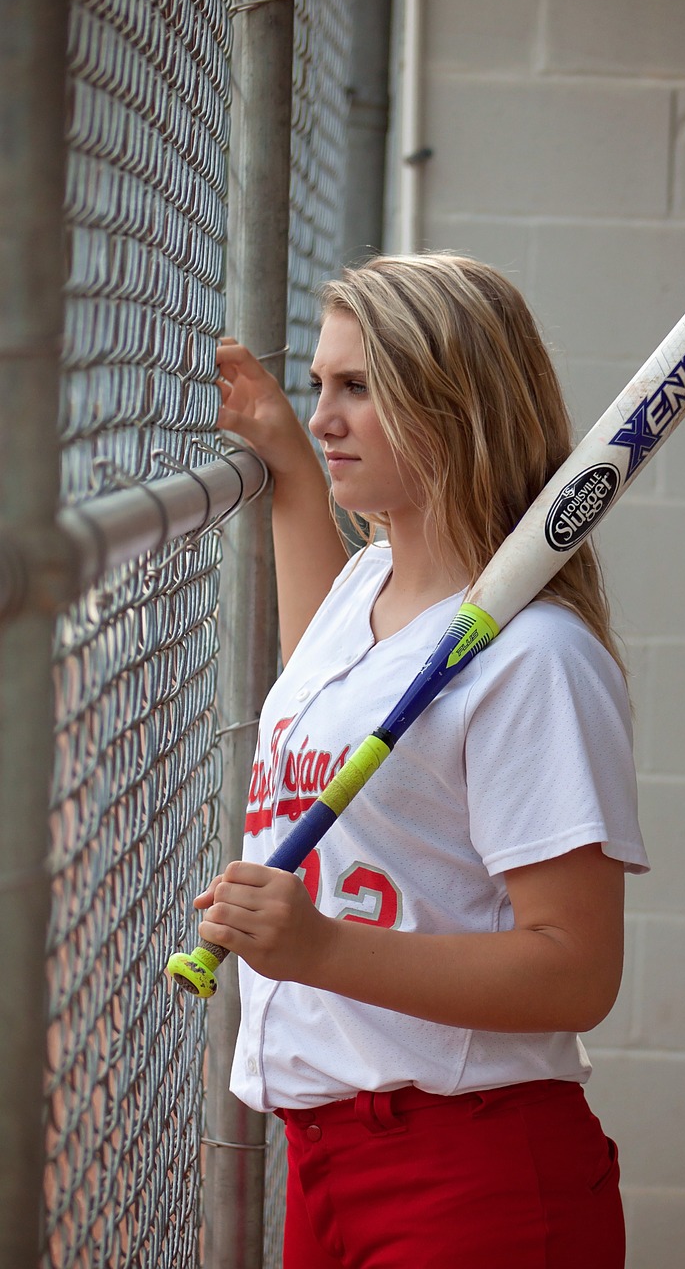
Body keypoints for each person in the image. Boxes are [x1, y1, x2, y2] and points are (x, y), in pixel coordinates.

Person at [194, 253, 649, 1268]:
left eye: (356, 386)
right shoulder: (363, 589)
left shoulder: (538, 658)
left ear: (452, 399)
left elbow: (575, 971)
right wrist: (288, 472)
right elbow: (341, 703)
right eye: (319, 386)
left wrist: (322, 950)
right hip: (324, 1161)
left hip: (470, 1170)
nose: (323, 416)